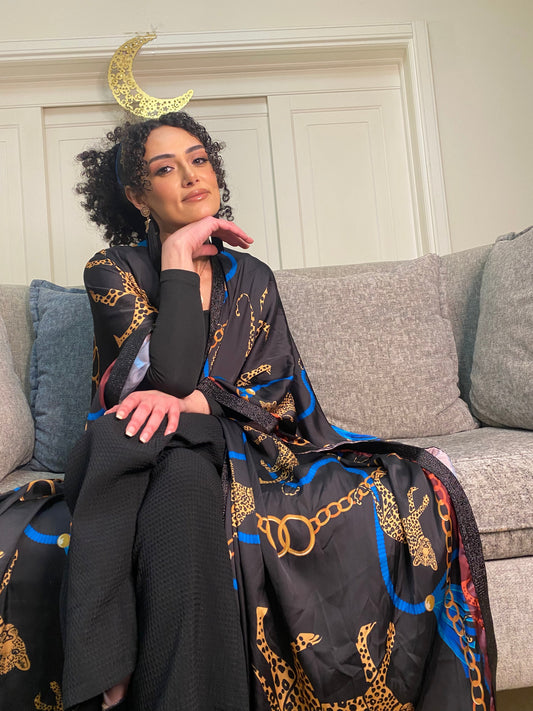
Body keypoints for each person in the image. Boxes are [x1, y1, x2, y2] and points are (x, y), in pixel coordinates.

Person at [62, 111, 496, 711]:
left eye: (199, 159)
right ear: (139, 196)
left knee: (155, 447)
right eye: (165, 169)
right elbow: (164, 379)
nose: (190, 176)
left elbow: (274, 395)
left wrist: (197, 401)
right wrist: (178, 256)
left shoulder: (253, 278)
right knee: (166, 466)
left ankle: (106, 673)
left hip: (239, 439)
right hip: (163, 444)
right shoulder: (113, 269)